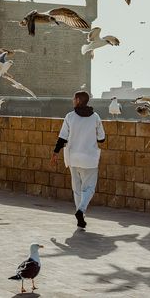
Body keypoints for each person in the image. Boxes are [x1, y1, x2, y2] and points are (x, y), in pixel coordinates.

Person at [49, 91, 106, 228]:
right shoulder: (95, 117)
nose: (72, 100)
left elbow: (62, 138)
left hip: (73, 158)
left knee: (77, 189)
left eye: (74, 98)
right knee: (89, 188)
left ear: (79, 100)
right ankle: (81, 211)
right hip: (90, 159)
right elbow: (102, 139)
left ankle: (80, 217)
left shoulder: (70, 117)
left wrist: (55, 152)